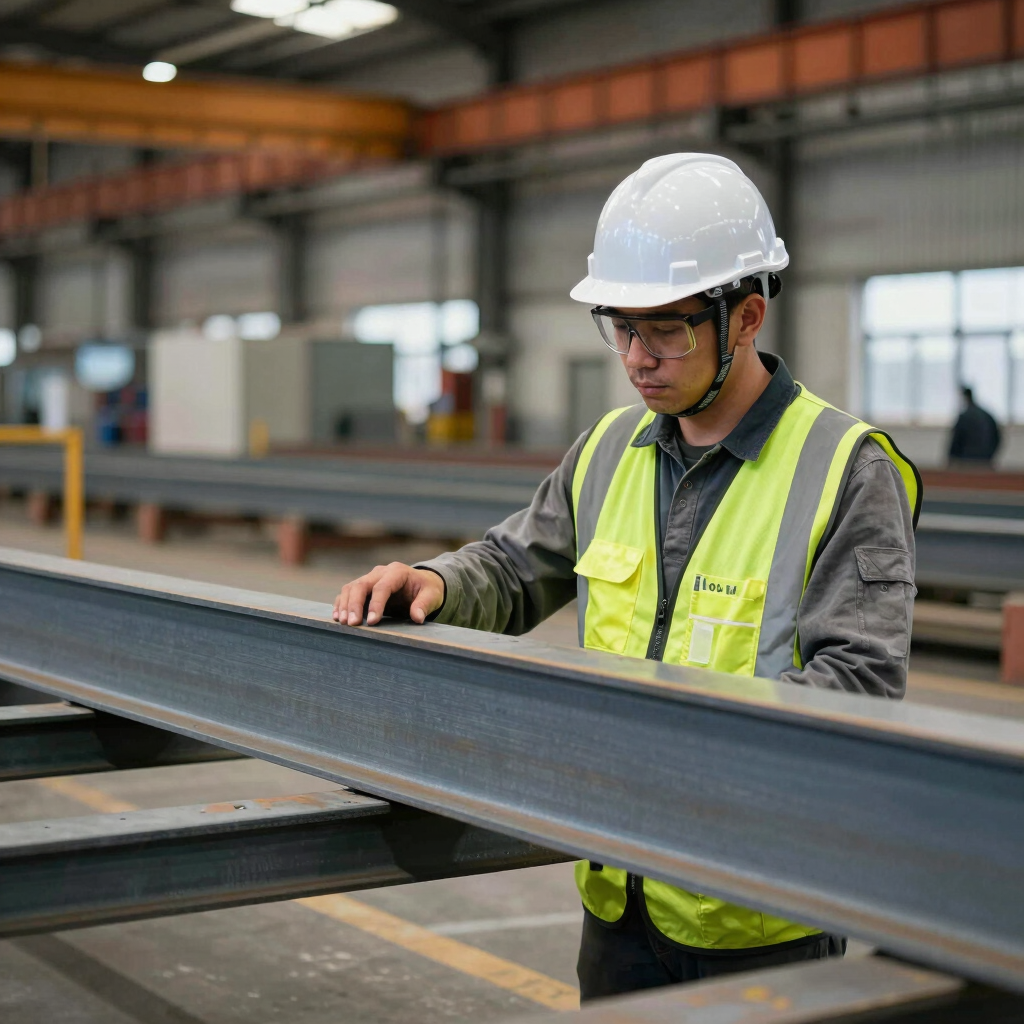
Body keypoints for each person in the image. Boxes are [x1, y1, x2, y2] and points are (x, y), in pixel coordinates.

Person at [333, 153, 922, 1001]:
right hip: (618, 899)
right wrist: (433, 580)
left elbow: (859, 688)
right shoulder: (610, 449)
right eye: (621, 327)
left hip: (755, 911)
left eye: (667, 329)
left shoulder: (844, 468)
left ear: (747, 316)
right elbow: (511, 566)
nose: (638, 358)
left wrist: (674, 750)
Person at [948, 385, 1000, 466]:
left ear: (964, 397)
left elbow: (956, 440)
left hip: (966, 462)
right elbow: (997, 438)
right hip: (985, 461)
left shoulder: (964, 417)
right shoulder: (987, 415)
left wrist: (950, 459)